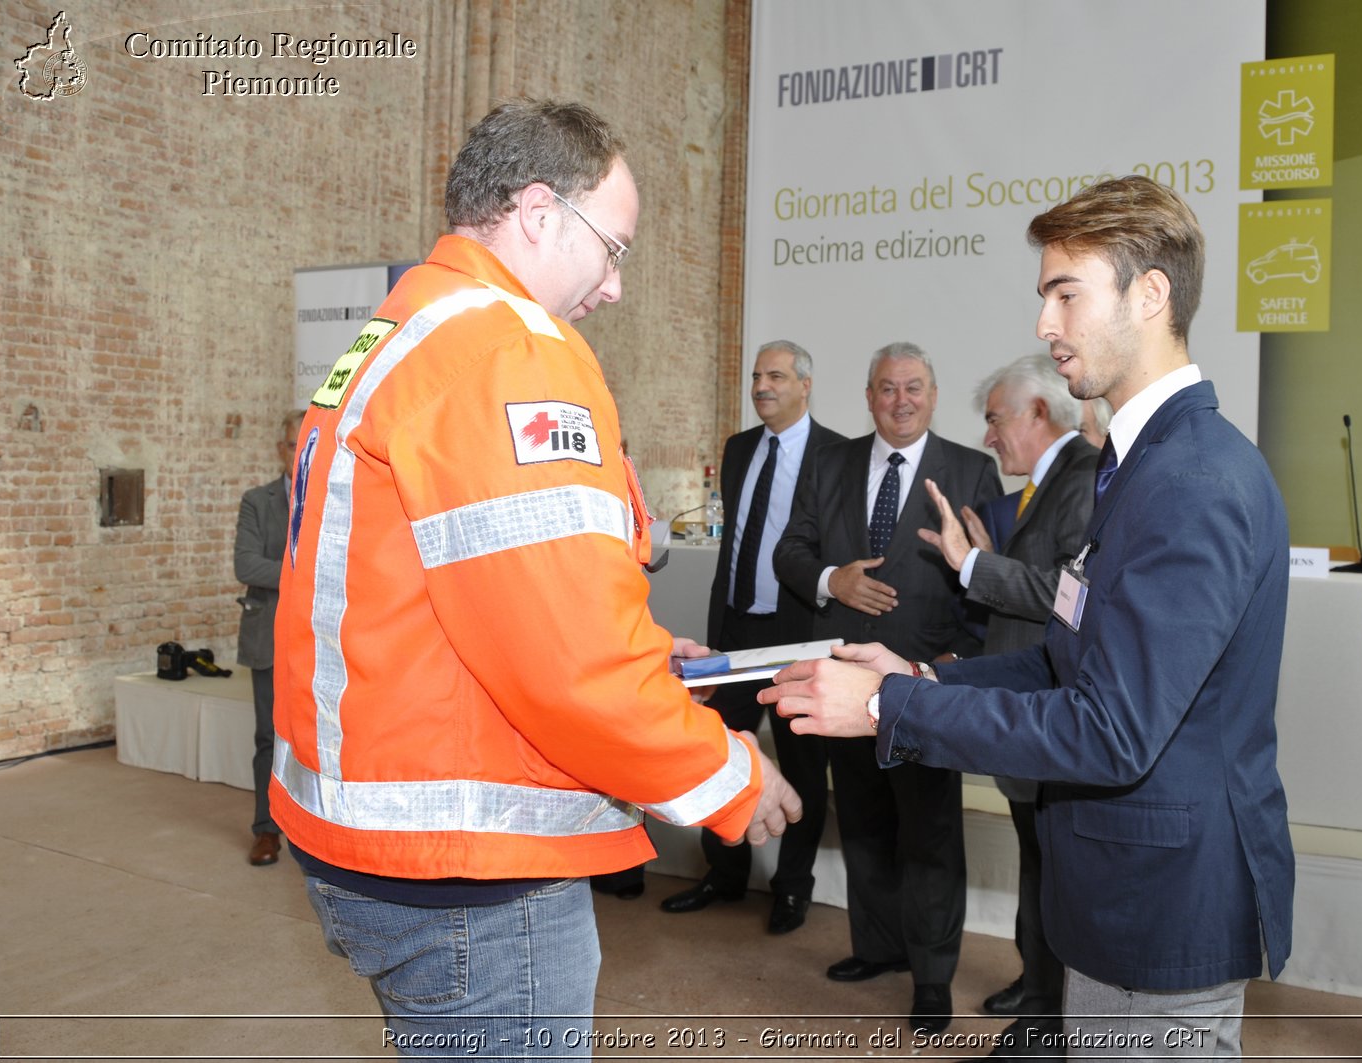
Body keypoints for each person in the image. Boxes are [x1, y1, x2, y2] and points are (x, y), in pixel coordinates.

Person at [270, 98, 800, 1058]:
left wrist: (641, 656)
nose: (614, 288)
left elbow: (470, 595)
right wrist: (721, 774)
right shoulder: (510, 350)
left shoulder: (396, 329)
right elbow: (567, 657)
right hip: (474, 873)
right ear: (539, 211)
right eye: (615, 247)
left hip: (361, 837)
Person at [763, 176, 1295, 1060]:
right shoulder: (1140, 463)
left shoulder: (1193, 480)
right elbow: (1068, 655)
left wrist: (887, 709)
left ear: (1151, 294)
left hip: (1162, 901)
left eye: (1066, 294)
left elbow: (1111, 727)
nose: (1046, 325)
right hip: (1117, 890)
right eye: (1044, 297)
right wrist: (922, 677)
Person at [773, 341, 1001, 1034]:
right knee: (866, 821)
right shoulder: (830, 461)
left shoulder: (970, 469)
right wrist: (830, 580)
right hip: (847, 682)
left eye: (913, 388)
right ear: (868, 396)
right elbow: (791, 550)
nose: (899, 400)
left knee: (929, 830)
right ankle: (877, 947)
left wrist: (962, 656)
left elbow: (990, 576)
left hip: (926, 681)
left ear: (933, 395)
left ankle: (932, 977)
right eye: (885, 388)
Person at [917, 353, 1097, 1038]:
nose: (989, 436)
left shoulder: (1081, 479)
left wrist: (974, 564)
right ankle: (1038, 990)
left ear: (1038, 413)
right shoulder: (1046, 486)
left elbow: (1068, 597)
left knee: (1053, 868)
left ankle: (1048, 1014)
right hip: (1029, 708)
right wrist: (989, 563)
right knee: (1038, 861)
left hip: (1051, 709)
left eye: (996, 419)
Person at [660, 340, 844, 933]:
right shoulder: (739, 449)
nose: (762, 386)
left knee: (803, 767)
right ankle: (725, 874)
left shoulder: (835, 454)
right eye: (757, 376)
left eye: (777, 376)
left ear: (805, 385)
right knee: (717, 750)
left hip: (798, 639)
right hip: (735, 635)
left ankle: (793, 889)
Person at [234, 410, 305, 867]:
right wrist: (306, 575)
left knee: (317, 739)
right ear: (281, 449)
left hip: (324, 639)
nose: (301, 454)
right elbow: (247, 566)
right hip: (270, 636)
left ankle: (314, 831)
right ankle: (266, 831)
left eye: (308, 443)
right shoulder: (257, 502)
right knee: (270, 737)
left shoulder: (335, 497)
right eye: (295, 445)